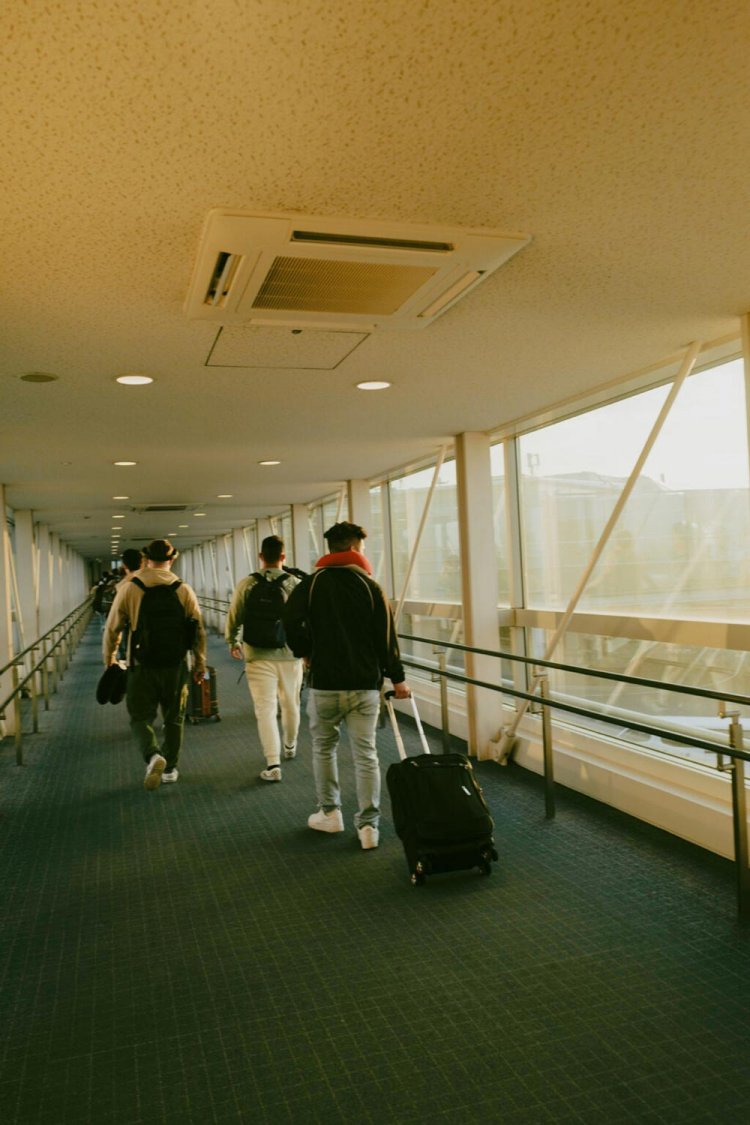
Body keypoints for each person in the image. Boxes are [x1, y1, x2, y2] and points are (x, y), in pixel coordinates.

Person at [282, 521, 410, 850]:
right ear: (354, 548)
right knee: (366, 754)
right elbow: (386, 638)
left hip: (325, 683)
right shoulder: (370, 586)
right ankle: (368, 827)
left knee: (324, 749)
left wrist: (305, 650)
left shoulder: (312, 584)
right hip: (364, 685)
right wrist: (397, 679)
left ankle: (330, 814)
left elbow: (289, 620)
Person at [103, 538, 206, 790]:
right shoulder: (183, 589)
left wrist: (110, 659)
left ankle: (152, 755)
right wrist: (200, 663)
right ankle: (170, 769)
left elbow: (112, 628)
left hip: (141, 665)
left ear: (146, 559)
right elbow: (198, 630)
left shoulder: (130, 587)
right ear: (172, 559)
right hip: (176, 665)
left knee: (140, 717)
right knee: (174, 718)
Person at [224, 535, 303, 782]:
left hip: (257, 654)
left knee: (265, 709)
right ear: (283, 556)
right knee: (291, 704)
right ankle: (290, 745)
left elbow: (234, 614)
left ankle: (273, 763)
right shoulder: (294, 583)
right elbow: (305, 620)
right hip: (290, 654)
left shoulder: (248, 583)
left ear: (261, 556)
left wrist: (232, 641)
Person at [115, 547, 145, 661]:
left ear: (124, 565)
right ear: (142, 563)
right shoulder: (151, 580)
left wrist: (109, 656)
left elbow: (115, 623)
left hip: (132, 633)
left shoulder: (122, 586)